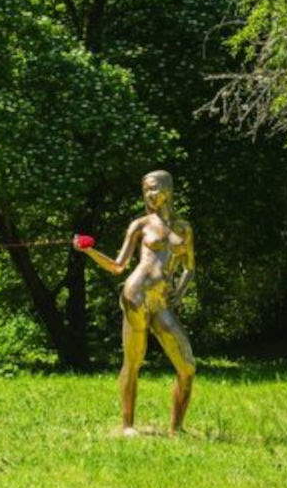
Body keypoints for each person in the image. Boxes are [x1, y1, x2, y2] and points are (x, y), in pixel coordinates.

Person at [74, 170, 196, 436]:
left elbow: (189, 267)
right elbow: (118, 266)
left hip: (161, 302)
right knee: (133, 361)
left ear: (168, 189)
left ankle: (177, 428)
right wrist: (89, 251)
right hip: (136, 295)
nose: (149, 195)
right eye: (146, 190)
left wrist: (179, 292)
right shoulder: (140, 225)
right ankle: (128, 425)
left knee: (187, 367)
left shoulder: (184, 228)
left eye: (154, 188)